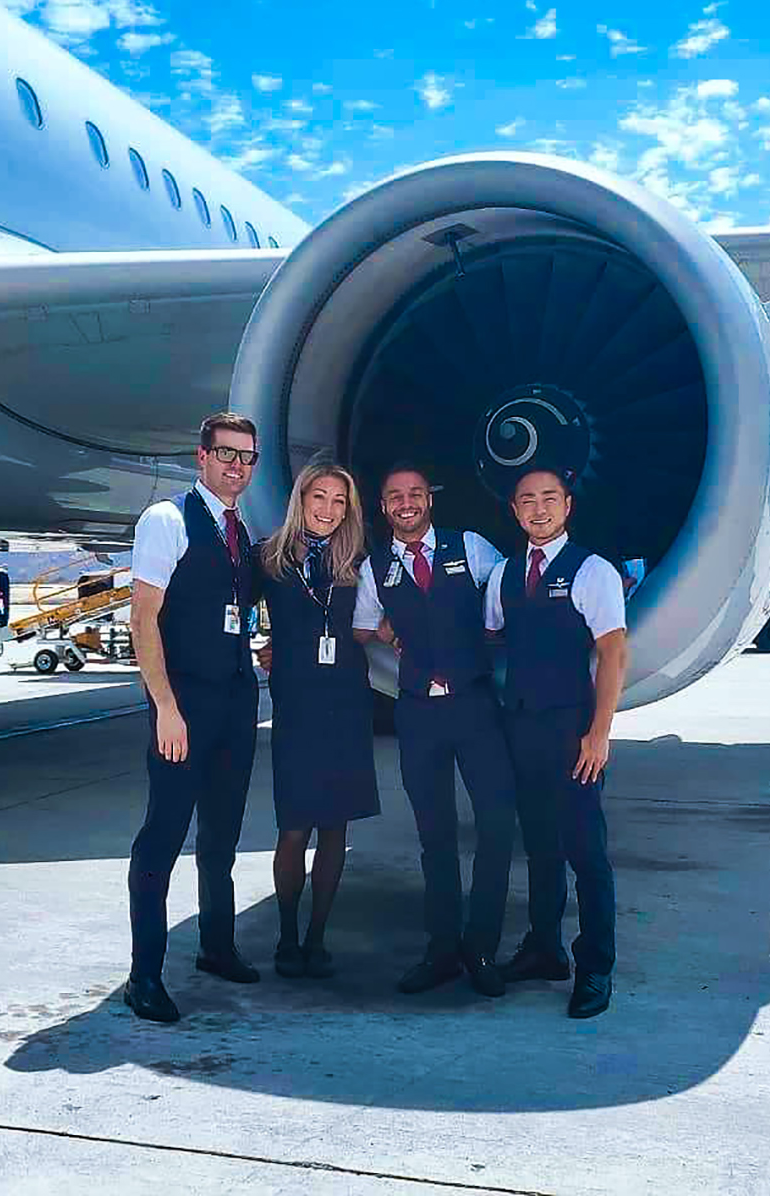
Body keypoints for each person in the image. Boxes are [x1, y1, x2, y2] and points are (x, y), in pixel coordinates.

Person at [353, 464, 517, 998]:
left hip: (475, 707)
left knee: (495, 826)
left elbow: (508, 596)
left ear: (429, 499)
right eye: (395, 496)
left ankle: (483, 947)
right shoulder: (377, 567)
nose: (406, 503)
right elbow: (359, 626)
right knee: (435, 836)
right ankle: (442, 948)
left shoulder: (470, 547)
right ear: (384, 507)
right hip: (419, 713)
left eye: (415, 494)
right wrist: (385, 628)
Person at [123, 412, 263, 1024]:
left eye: (247, 457)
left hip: (236, 702)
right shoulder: (167, 520)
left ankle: (216, 944)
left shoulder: (241, 529)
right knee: (163, 837)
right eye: (227, 454)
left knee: (222, 836)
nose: (238, 466)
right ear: (201, 456)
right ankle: (144, 975)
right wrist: (165, 708)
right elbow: (142, 619)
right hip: (185, 706)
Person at [485, 467, 628, 1019]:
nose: (538, 509)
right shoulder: (503, 575)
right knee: (540, 846)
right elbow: (490, 631)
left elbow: (613, 653)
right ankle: (544, 948)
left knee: (585, 852)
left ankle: (595, 965)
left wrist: (599, 733)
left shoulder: (593, 572)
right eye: (526, 501)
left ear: (567, 506)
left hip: (572, 730)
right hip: (520, 728)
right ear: (515, 511)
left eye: (549, 499)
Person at [254, 463, 380, 979]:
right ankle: (287, 935)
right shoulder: (270, 558)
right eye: (319, 497)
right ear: (300, 499)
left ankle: (317, 937)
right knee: (293, 828)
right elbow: (225, 605)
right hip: (298, 706)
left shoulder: (360, 561)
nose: (328, 510)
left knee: (335, 828)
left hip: (347, 703)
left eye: (339, 501)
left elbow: (378, 621)